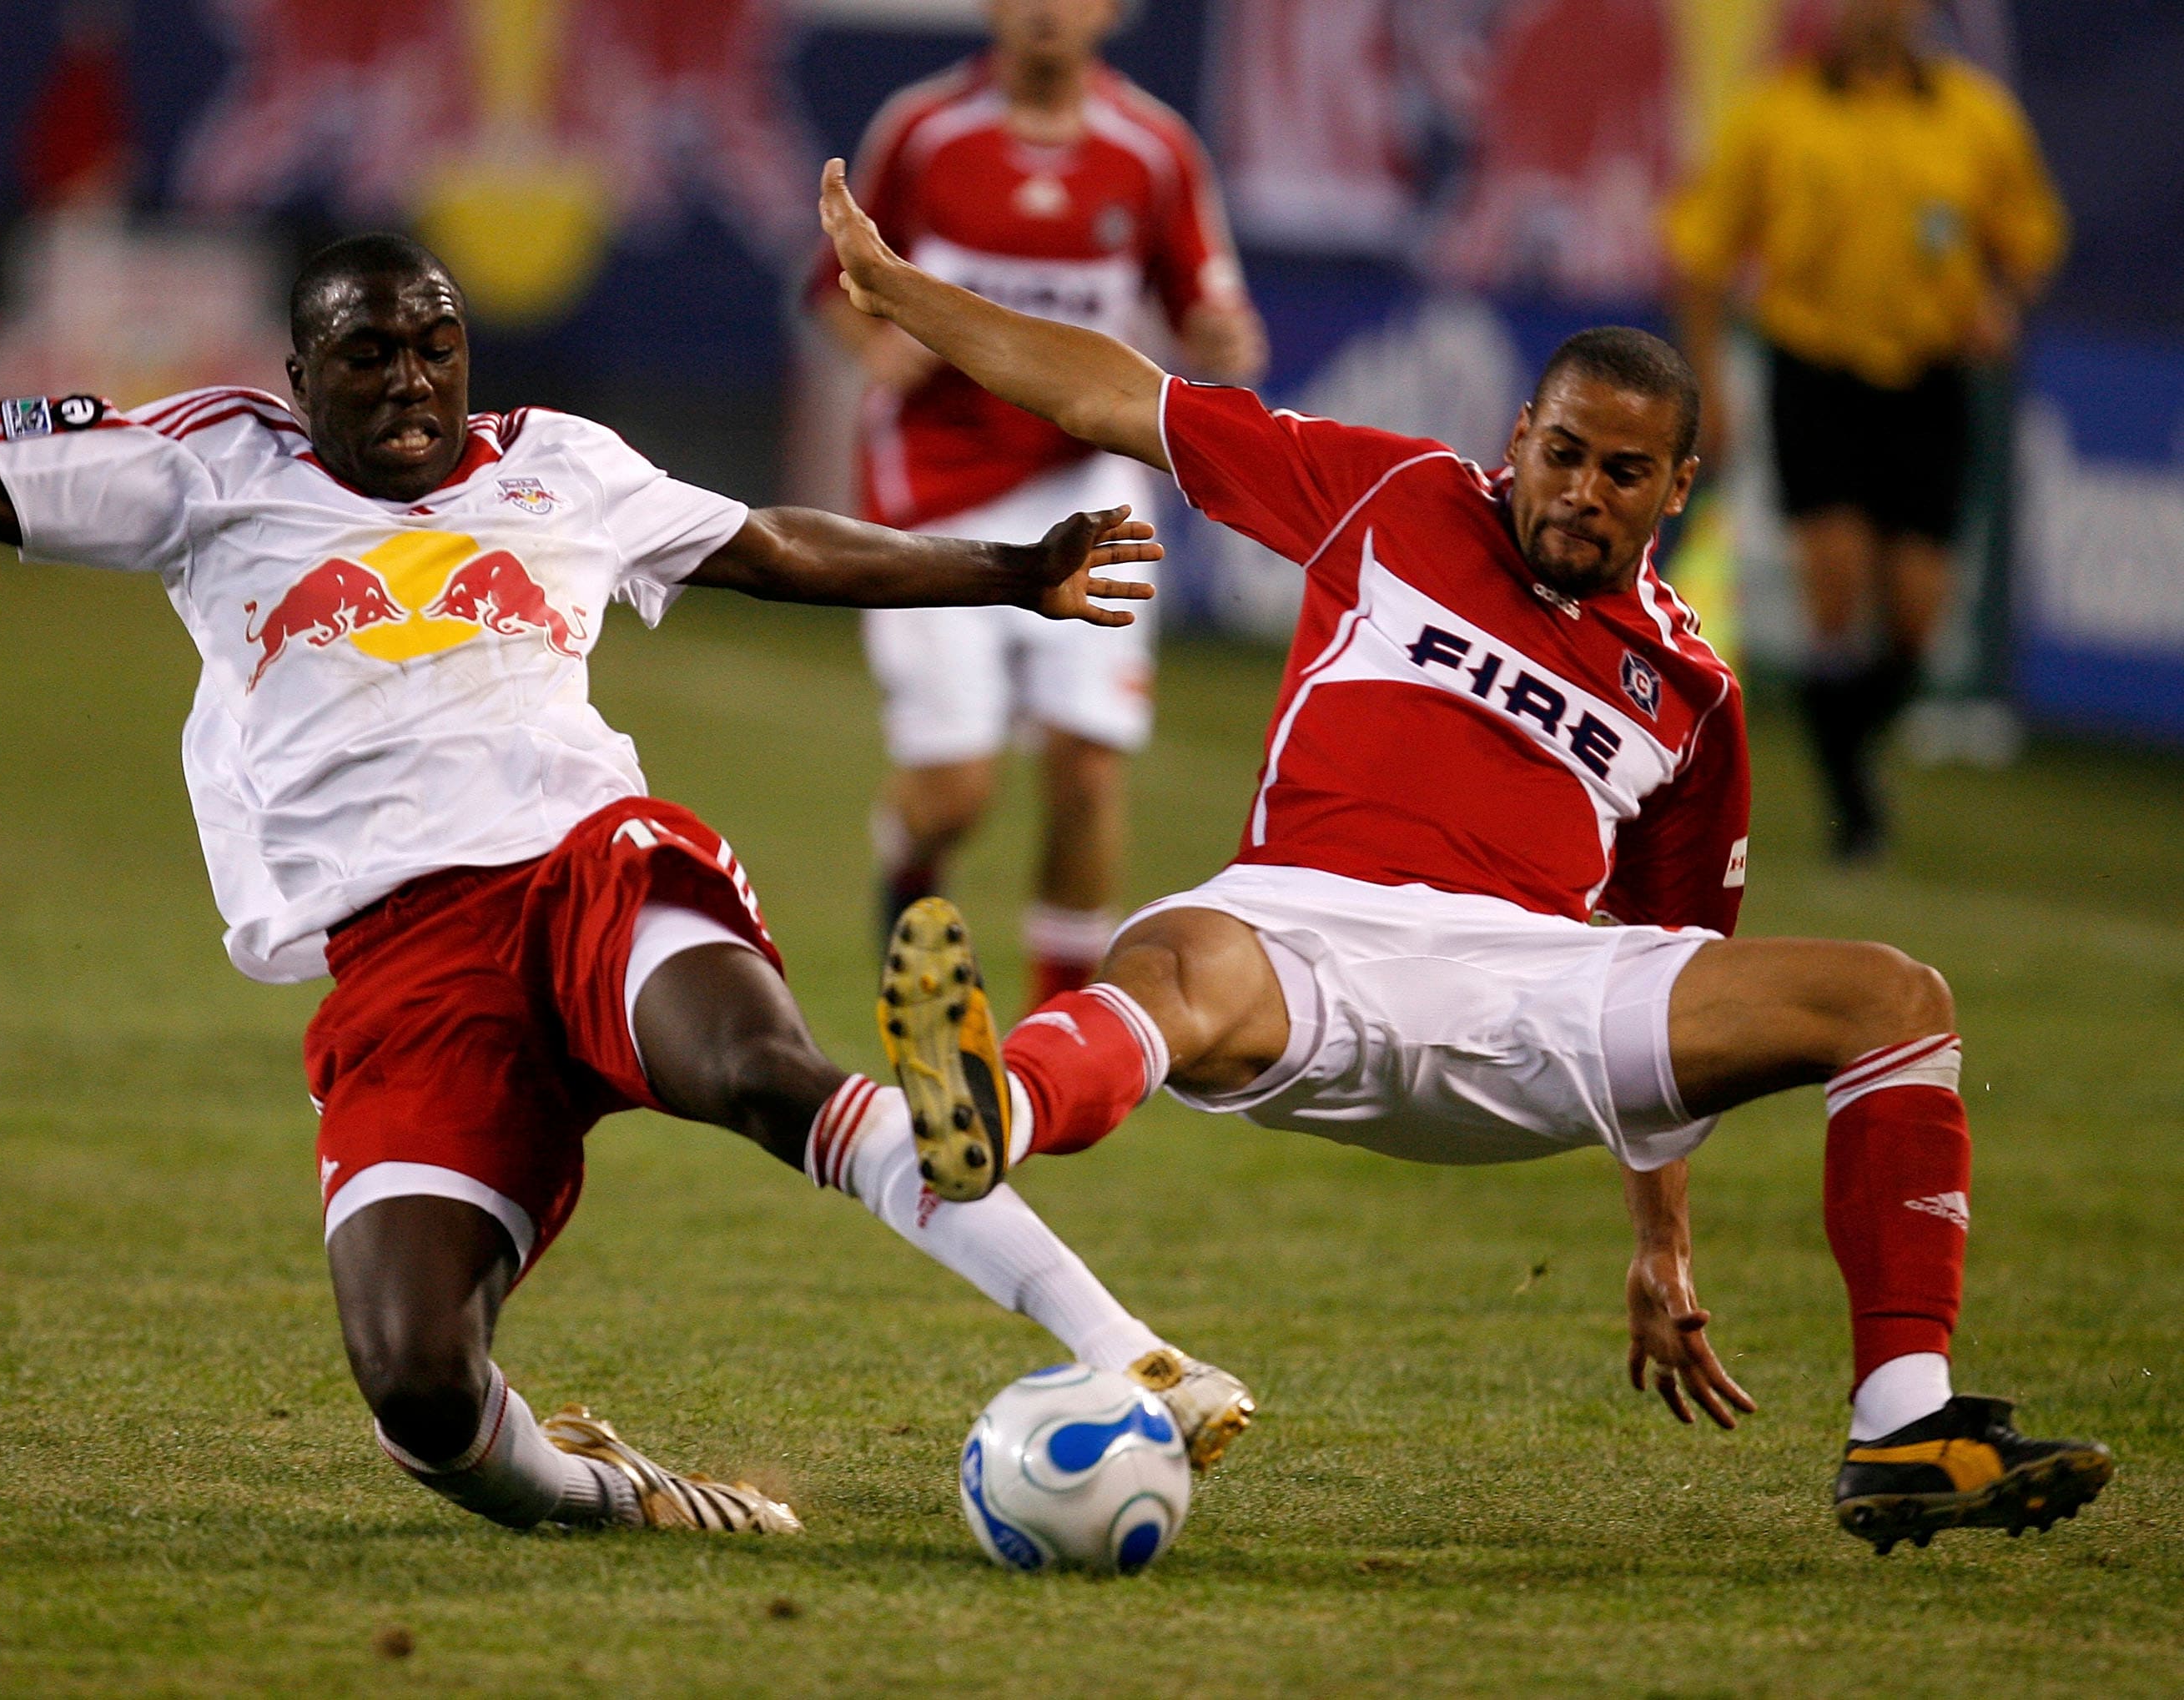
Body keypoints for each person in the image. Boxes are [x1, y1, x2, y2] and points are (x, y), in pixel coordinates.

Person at [0, 70, 1255, 1538]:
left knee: (757, 1067)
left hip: (583, 864)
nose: (409, 378)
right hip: (402, 961)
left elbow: (775, 545)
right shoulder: (208, 467)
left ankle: (1128, 1348)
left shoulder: (560, 466)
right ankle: (610, 1492)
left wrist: (1010, 570)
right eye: (367, 355)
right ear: (299, 376)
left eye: (435, 344)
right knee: (417, 1382)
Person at [822, 158, 2115, 1553]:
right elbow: (1105, 392)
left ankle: (1903, 1426)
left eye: (1624, 473)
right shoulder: (1391, 495)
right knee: (1177, 954)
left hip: (1539, 985)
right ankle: (990, 1117)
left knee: (1896, 998)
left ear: (1678, 485)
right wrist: (901, 291)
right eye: (1562, 452)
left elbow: (1683, 978)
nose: (1579, 492)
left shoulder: (1691, 693)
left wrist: (1662, 1236)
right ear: (1523, 430)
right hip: (1306, 934)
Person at [809, 0, 1266, 1007]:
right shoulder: (926, 134)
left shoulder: (1152, 151)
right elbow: (831, 287)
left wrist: (1225, 338)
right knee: (954, 791)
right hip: (936, 489)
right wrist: (877, 344)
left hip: (1087, 474)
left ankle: (1064, 1021)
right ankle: (909, 863)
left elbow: (1209, 309)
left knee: (1088, 764)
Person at [1665, 0, 2065, 862]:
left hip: (1929, 379)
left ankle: (1848, 755)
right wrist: (1712, 387)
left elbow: (2031, 238)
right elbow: (1700, 255)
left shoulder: (1977, 116)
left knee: (1918, 615)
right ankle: (1853, 805)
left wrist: (2002, 304)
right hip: (1816, 371)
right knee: (1837, 587)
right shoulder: (1777, 112)